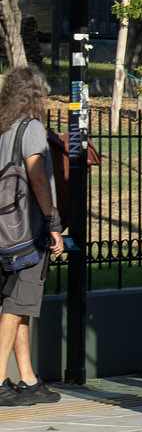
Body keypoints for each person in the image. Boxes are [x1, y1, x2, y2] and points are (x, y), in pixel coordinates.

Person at [0, 67, 65, 406]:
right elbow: (38, 176)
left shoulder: (2, 128)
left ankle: (27, 378)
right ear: (34, 95)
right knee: (15, 304)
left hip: (2, 232)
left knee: (21, 304)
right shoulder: (31, 128)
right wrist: (52, 221)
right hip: (25, 232)